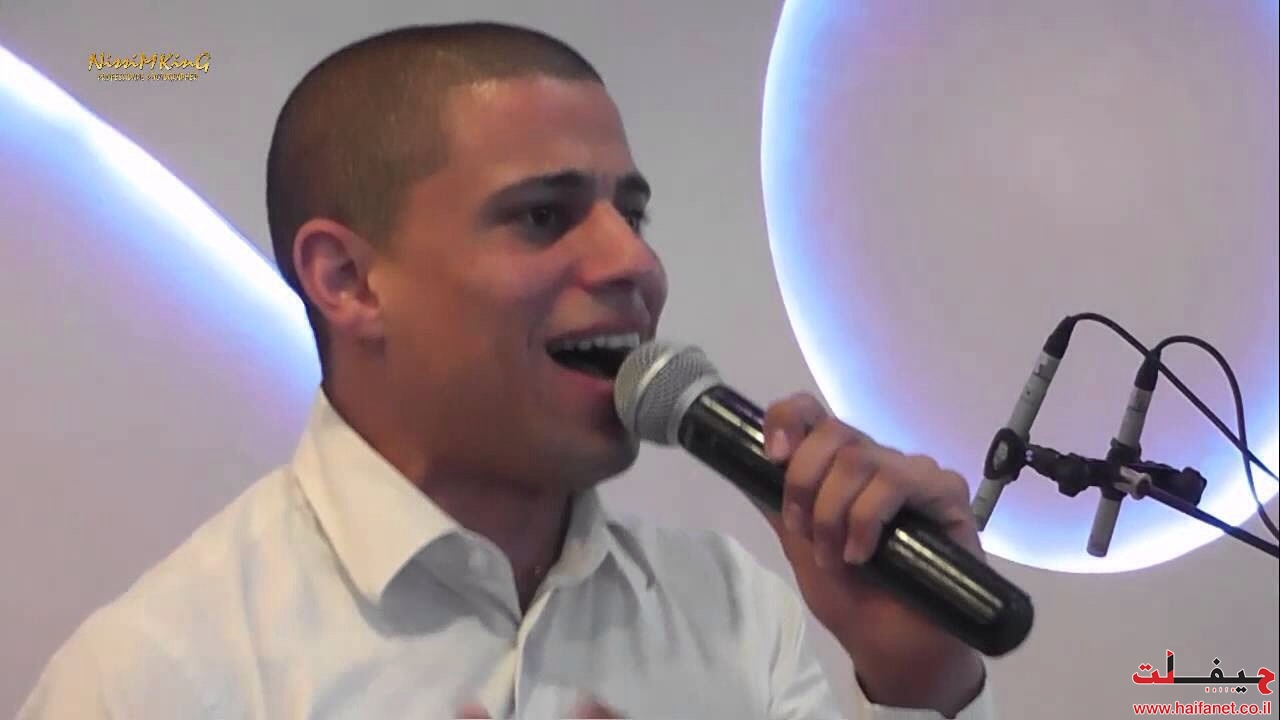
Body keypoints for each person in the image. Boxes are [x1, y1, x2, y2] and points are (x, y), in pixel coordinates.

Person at [19, 22, 994, 719]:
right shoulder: (154, 679)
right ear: (347, 280)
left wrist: (920, 684)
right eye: (542, 215)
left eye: (632, 214)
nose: (634, 263)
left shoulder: (730, 611)